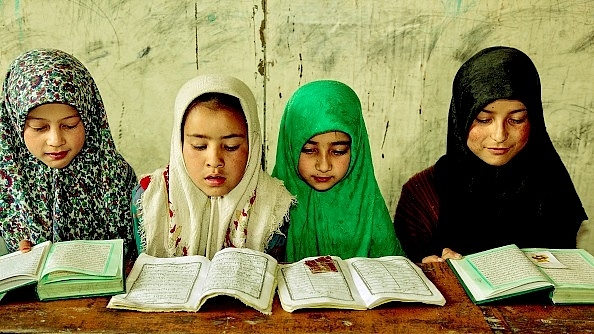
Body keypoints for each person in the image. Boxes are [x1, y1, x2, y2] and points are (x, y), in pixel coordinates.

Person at [394, 46, 588, 263]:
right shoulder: (423, 194)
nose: (499, 135)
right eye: (483, 119)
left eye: (516, 119)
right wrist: (430, 265)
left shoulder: (552, 187)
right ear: (461, 118)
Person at [133, 74, 293, 259]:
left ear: (253, 144)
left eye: (231, 146)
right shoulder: (151, 198)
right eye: (199, 146)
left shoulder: (274, 204)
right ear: (179, 144)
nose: (214, 160)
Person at [0, 48, 137, 257]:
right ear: (15, 125)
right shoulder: (6, 184)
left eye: (70, 125)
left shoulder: (115, 176)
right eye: (39, 128)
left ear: (89, 118)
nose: (56, 141)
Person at [272, 80, 405, 262]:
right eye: (309, 150)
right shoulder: (268, 208)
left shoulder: (369, 208)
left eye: (339, 151)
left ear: (357, 150)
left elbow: (395, 270)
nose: (324, 166)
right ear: (290, 148)